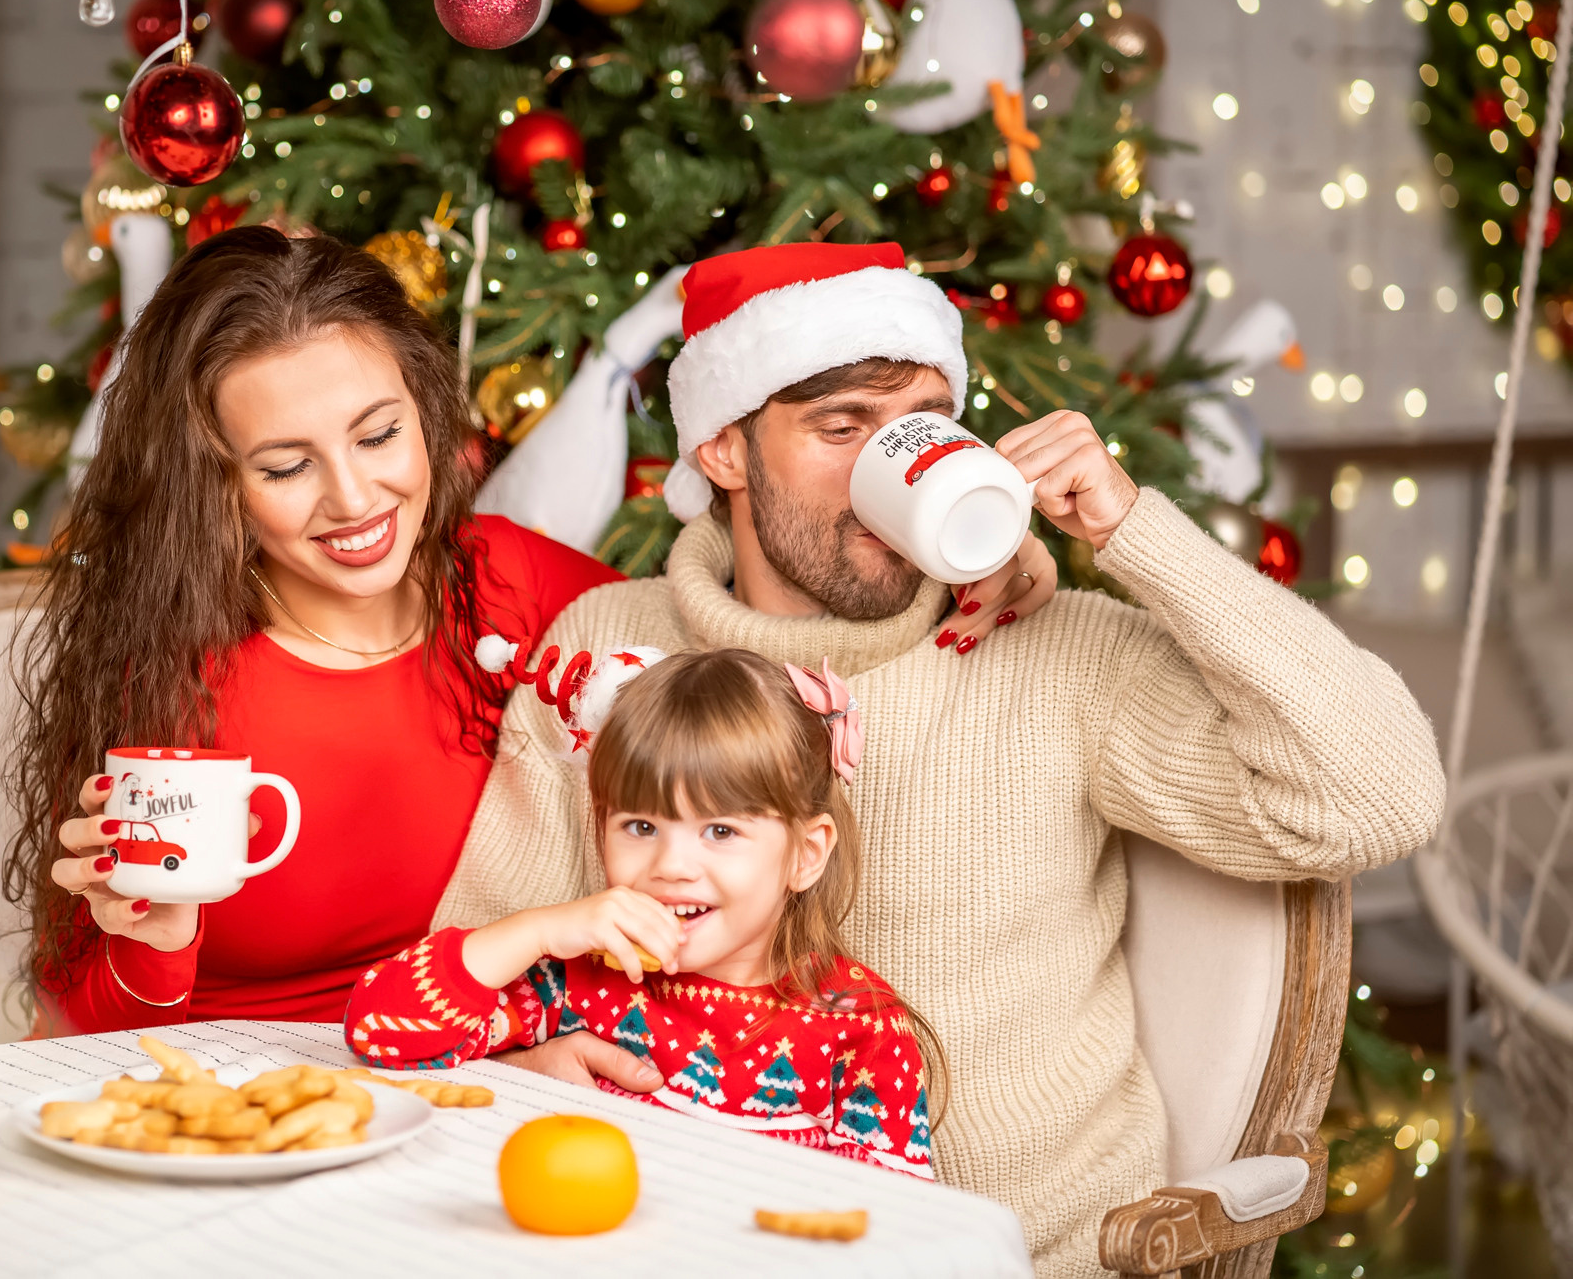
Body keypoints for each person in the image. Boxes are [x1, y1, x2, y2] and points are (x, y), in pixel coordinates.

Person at [434, 241, 1446, 1277]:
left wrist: (1129, 528)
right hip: (675, 1241)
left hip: (1019, 1255)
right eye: (842, 427)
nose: (890, 462)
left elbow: (1378, 798)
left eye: (919, 422)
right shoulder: (604, 648)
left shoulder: (1055, 650)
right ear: (723, 453)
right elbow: (470, 954)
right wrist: (524, 1068)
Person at [3, 229, 1058, 1035]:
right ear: (213, 487)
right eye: (284, 466)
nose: (353, 495)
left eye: (379, 434)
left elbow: (756, 665)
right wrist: (156, 946)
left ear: (425, 413)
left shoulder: (522, 587)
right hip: (226, 1117)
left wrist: (960, 554)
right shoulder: (159, 663)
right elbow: (82, 1028)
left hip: (467, 1096)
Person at [347, 647, 939, 1178]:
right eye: (641, 825)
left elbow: (896, 1236)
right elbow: (378, 1033)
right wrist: (537, 930)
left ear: (804, 856)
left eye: (720, 830)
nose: (671, 865)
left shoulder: (864, 1032)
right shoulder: (577, 983)